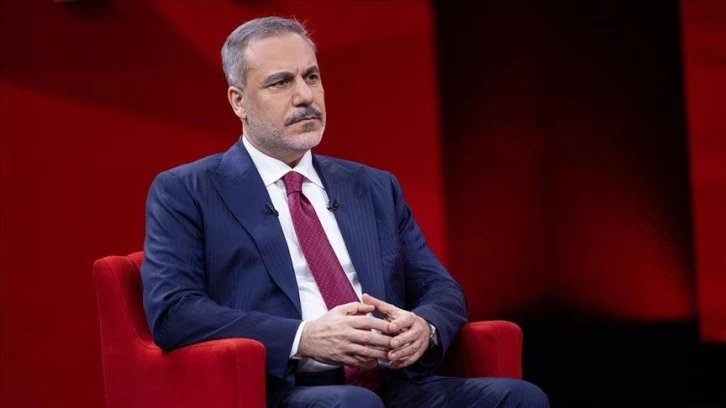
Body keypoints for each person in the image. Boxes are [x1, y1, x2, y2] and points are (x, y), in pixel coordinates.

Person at [140, 16, 549, 408]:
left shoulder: (374, 187)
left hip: (392, 383)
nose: (305, 96)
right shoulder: (187, 191)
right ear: (239, 101)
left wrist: (424, 326)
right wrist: (303, 337)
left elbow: (439, 287)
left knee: (520, 397)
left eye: (311, 77)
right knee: (352, 402)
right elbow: (174, 310)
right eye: (280, 82)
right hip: (279, 389)